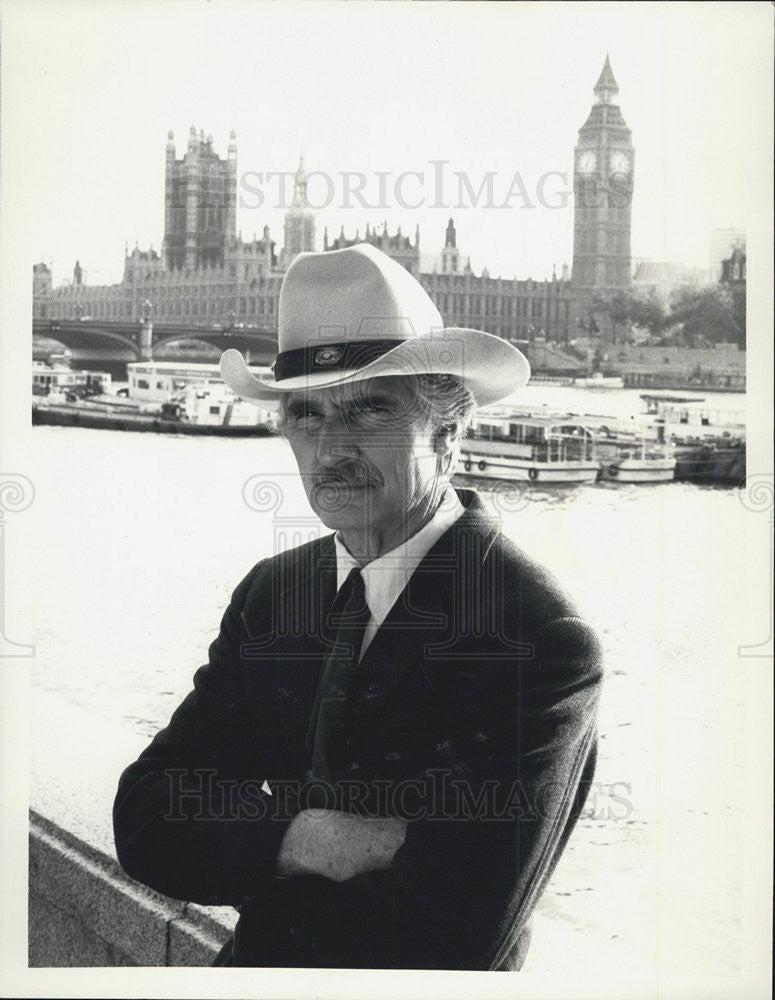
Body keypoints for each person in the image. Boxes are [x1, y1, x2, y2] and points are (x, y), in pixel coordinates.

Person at [113, 243, 603, 971]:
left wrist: (249, 840)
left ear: (447, 430)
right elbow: (148, 820)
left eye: (369, 409)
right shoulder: (274, 594)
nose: (332, 448)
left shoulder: (533, 633)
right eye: (307, 417)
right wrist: (314, 837)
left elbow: (460, 922)